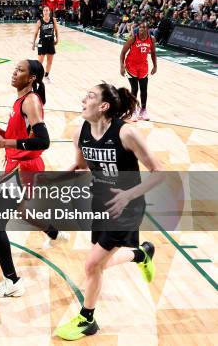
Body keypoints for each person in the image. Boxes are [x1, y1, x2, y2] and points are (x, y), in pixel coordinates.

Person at [55, 83, 162, 341]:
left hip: (127, 207)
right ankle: (141, 254)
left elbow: (159, 172)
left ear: (103, 106)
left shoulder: (126, 133)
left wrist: (128, 195)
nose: (83, 99)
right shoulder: (80, 131)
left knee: (92, 265)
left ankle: (87, 319)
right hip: (100, 203)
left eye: (90, 96)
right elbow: (81, 166)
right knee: (98, 263)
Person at [0, 59, 68, 298]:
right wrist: (0, 132)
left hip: (23, 169)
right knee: (21, 210)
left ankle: (12, 282)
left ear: (31, 78)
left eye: (20, 71)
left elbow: (43, 141)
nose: (14, 73)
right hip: (18, 165)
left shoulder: (30, 101)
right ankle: (53, 231)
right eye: (15, 69)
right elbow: (23, 134)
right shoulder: (21, 99)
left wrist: (6, 142)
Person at [119, 20, 157, 121]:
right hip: (131, 65)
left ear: (147, 29)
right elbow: (123, 52)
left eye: (143, 27)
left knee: (144, 89)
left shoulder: (151, 39)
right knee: (134, 89)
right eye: (140, 27)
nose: (141, 29)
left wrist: (155, 66)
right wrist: (122, 66)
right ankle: (133, 110)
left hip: (143, 66)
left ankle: (143, 110)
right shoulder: (133, 38)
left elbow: (153, 53)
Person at [32, 6, 59, 83]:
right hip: (42, 42)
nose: (46, 12)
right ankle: (37, 76)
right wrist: (33, 43)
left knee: (49, 61)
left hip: (51, 42)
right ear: (43, 12)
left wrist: (57, 39)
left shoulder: (53, 20)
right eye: (44, 10)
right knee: (40, 62)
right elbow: (36, 33)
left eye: (47, 10)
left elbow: (56, 30)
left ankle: (46, 76)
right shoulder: (39, 21)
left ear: (49, 12)